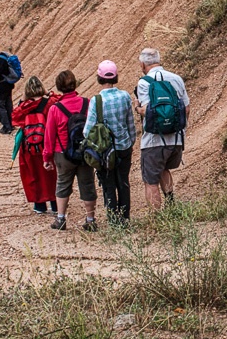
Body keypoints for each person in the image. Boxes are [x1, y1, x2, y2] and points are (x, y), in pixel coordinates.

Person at [82, 60, 136, 225]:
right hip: (124, 147)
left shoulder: (97, 100)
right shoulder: (125, 96)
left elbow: (87, 130)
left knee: (109, 184)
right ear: (116, 77)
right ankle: (125, 217)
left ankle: (113, 219)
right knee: (124, 182)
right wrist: (130, 141)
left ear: (99, 77)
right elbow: (130, 123)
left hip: (106, 151)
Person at [42, 70, 97, 231]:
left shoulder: (55, 109)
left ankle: (60, 219)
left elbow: (50, 135)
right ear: (75, 84)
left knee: (63, 184)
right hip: (85, 152)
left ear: (59, 87)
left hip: (63, 153)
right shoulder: (87, 103)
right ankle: (90, 219)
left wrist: (47, 157)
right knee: (87, 184)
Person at [135, 48, 189, 210]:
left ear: (143, 64)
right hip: (176, 139)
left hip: (153, 140)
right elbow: (186, 109)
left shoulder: (144, 82)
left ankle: (157, 219)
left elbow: (146, 110)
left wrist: (137, 109)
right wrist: (181, 130)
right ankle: (171, 206)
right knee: (164, 168)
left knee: (150, 181)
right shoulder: (176, 79)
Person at [10, 76, 58, 215]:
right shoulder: (50, 102)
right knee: (52, 173)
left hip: (29, 146)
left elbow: (14, 118)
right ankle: (55, 204)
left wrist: (22, 100)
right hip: (48, 143)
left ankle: (40, 204)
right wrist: (50, 94)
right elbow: (60, 102)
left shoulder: (25, 106)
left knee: (33, 174)